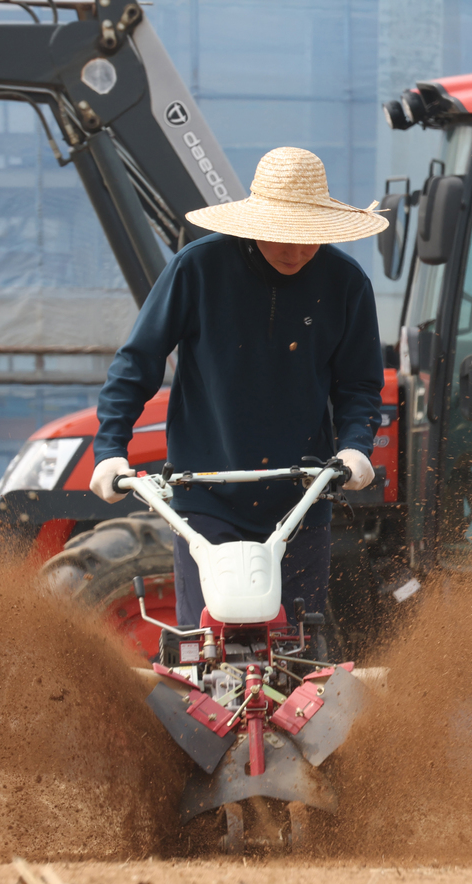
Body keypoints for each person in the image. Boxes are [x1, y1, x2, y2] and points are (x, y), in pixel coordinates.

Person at [89, 146, 386, 632]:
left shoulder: (345, 284)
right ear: (255, 224)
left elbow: (358, 384)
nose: (296, 251)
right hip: (205, 494)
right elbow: (137, 361)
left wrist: (355, 448)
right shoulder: (198, 270)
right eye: (282, 237)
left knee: (295, 643)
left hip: (301, 497)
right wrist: (110, 448)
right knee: (208, 641)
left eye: (307, 238)